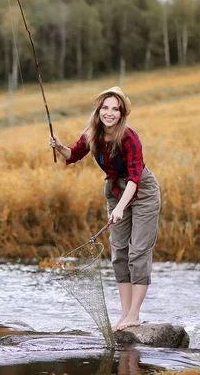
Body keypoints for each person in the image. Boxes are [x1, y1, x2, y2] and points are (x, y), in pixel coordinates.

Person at [48, 86, 161, 332]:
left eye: (115, 109)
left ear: (121, 114)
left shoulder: (130, 138)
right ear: (98, 110)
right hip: (115, 190)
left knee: (138, 251)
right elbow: (73, 155)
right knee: (119, 252)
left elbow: (134, 179)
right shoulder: (92, 134)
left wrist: (120, 208)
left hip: (141, 193)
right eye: (105, 108)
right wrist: (58, 146)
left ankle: (134, 315)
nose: (109, 113)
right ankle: (124, 314)